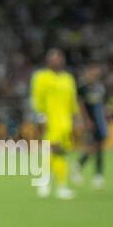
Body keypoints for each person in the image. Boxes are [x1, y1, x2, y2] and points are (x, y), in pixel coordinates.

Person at [31, 48, 79, 200]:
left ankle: (44, 181)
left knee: (58, 153)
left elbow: (72, 101)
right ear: (48, 61)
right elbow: (37, 98)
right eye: (53, 59)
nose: (56, 61)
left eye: (59, 58)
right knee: (57, 151)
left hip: (66, 123)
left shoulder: (68, 79)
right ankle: (61, 186)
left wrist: (76, 118)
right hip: (51, 121)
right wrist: (40, 117)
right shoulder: (41, 77)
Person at [76, 63, 108, 187]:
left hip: (99, 120)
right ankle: (80, 167)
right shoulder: (83, 87)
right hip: (90, 122)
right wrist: (86, 120)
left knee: (98, 145)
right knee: (93, 146)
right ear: (88, 71)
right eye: (93, 70)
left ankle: (96, 174)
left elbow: (102, 103)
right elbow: (81, 105)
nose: (95, 73)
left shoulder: (99, 87)